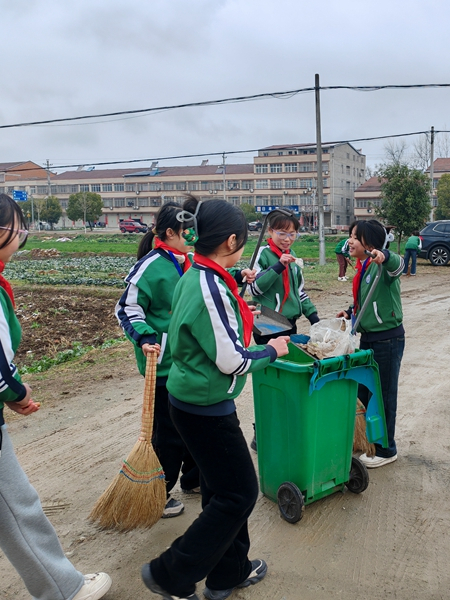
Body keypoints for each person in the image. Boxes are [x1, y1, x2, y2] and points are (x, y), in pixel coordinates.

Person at [0, 185, 111, 600]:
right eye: (18, 228)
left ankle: (62, 587)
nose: (23, 235)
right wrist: (17, 394)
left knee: (19, 506)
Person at [142, 197, 289, 600]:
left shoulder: (200, 272)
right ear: (230, 241)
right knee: (239, 493)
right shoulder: (208, 283)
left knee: (220, 491)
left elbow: (214, 324)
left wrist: (242, 308)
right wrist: (273, 350)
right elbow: (232, 361)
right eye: (241, 242)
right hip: (204, 409)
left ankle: (230, 572)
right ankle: (171, 572)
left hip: (195, 401)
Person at [116, 202, 200, 518]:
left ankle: (193, 480)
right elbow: (127, 308)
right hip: (162, 364)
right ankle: (157, 494)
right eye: (187, 231)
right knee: (167, 435)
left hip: (189, 361)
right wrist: (146, 336)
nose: (193, 235)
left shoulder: (190, 261)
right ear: (169, 233)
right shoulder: (150, 267)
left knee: (191, 424)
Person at [337, 219, 405, 468]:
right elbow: (366, 299)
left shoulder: (382, 267)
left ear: (371, 243)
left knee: (383, 395)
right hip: (368, 338)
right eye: (351, 235)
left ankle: (386, 449)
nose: (350, 240)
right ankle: (367, 442)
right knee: (363, 393)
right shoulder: (363, 266)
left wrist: (385, 255)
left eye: (355, 236)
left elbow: (399, 266)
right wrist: (349, 311)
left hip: (388, 339)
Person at [248, 209, 319, 344]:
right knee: (273, 361)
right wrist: (278, 266)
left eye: (292, 234)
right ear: (270, 231)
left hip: (289, 321)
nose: (287, 239)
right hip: (266, 322)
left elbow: (298, 291)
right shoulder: (262, 254)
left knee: (290, 358)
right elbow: (253, 289)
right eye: (282, 234)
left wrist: (312, 316)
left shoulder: (292, 255)